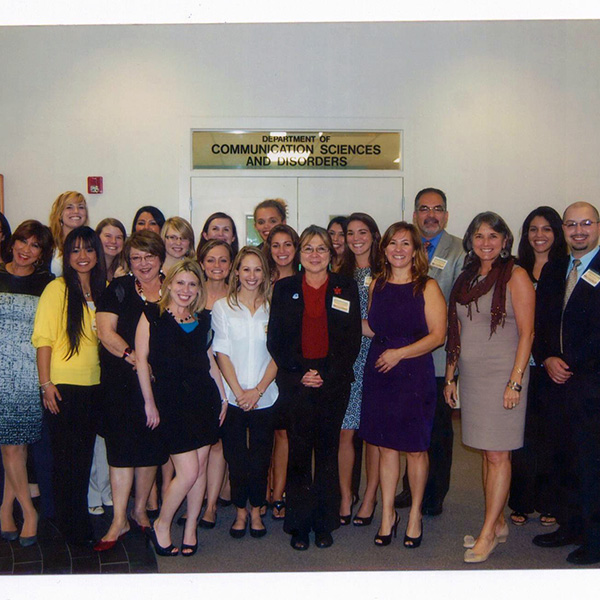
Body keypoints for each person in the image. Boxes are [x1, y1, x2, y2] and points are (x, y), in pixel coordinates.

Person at [444, 212, 535, 563]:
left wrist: (516, 380)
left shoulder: (516, 275)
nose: (486, 242)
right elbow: (457, 331)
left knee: (499, 454)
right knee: (487, 452)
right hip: (473, 377)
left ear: (505, 241)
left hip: (503, 378)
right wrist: (451, 376)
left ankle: (487, 534)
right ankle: (496, 523)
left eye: (493, 236)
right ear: (471, 240)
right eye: (479, 236)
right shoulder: (468, 277)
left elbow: (527, 332)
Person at [267, 225, 361, 550]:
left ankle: (324, 523)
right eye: (308, 248)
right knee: (298, 452)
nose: (315, 255)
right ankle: (298, 525)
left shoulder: (344, 288)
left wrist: (326, 373)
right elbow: (275, 340)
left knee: (327, 453)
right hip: (296, 380)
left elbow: (352, 340)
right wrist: (301, 372)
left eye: (321, 248)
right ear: (299, 254)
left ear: (331, 254)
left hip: (333, 381)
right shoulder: (284, 289)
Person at [359, 222, 446, 549]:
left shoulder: (427, 286)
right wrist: (337, 322)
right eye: (392, 243)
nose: (398, 249)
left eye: (405, 243)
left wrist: (400, 354)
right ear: (384, 249)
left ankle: (414, 516)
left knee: (415, 448)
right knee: (385, 447)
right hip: (380, 372)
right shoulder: (376, 285)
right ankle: (388, 514)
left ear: (415, 250)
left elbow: (438, 336)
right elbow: (373, 327)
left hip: (413, 373)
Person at [137, 259, 226, 557]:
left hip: (204, 400)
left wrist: (223, 398)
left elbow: (209, 361)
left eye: (192, 284)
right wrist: (149, 403)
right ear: (169, 284)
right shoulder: (152, 316)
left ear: (198, 288)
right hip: (171, 403)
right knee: (187, 472)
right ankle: (162, 524)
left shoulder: (202, 320)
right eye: (180, 283)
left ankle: (190, 530)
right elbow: (141, 362)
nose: (185, 290)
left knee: (199, 470)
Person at [531, 202, 600, 565]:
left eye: (586, 223)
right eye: (571, 224)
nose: (578, 231)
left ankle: (595, 538)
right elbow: (539, 323)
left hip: (591, 383)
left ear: (598, 226)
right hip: (553, 381)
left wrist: (569, 361)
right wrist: (547, 357)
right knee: (560, 456)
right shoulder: (556, 268)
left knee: (591, 463)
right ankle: (569, 525)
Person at [93, 231, 169, 551]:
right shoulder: (119, 289)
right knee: (121, 449)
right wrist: (133, 358)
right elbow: (105, 331)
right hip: (121, 383)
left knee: (150, 447)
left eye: (148, 256)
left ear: (160, 257)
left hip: (162, 383)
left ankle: (140, 510)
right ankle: (118, 519)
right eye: (135, 258)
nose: (142, 264)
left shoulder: (175, 286)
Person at [32, 226, 106, 546]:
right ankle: (71, 526)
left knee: (83, 458)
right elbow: (43, 340)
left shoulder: (102, 290)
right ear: (67, 255)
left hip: (94, 386)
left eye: (88, 249)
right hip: (62, 387)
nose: (82, 256)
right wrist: (46, 383)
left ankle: (75, 522)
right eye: (75, 250)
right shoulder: (57, 289)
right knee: (65, 461)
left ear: (96, 254)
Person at [395, 188, 465, 516]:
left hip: (437, 359)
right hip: (404, 359)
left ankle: (434, 494)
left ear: (446, 215)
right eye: (424, 209)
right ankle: (412, 489)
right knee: (410, 426)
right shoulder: (404, 249)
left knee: (436, 429)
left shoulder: (460, 252)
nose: (431, 215)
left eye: (437, 209)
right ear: (414, 214)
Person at [212, 247, 278, 539]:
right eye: (246, 269)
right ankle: (240, 511)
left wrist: (258, 390)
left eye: (258, 270)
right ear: (236, 272)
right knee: (236, 458)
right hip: (233, 396)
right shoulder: (223, 307)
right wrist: (239, 392)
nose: (252, 276)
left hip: (267, 395)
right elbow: (221, 352)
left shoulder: (274, 307)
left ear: (265, 273)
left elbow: (280, 352)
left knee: (261, 458)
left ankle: (256, 511)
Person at [508, 207, 567, 527]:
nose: (539, 235)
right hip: (520, 363)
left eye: (546, 229)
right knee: (520, 435)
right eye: (533, 229)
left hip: (551, 364)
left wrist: (547, 354)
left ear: (556, 233)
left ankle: (549, 502)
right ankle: (521, 500)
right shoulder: (516, 269)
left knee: (551, 435)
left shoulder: (565, 269)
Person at [0, 221, 54, 546]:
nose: (26, 249)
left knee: (13, 445)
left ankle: (24, 511)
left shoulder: (47, 284)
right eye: (23, 240)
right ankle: (10, 507)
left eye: (35, 246)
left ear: (42, 254)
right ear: (13, 241)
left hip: (27, 373)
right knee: (10, 446)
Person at [336, 212, 381, 527]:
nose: (355, 238)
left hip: (378, 358)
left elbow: (388, 324)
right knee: (345, 433)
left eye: (362, 232)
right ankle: (345, 494)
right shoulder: (339, 273)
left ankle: (370, 497)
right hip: (346, 360)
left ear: (374, 235)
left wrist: (355, 327)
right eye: (350, 233)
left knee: (375, 435)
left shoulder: (387, 272)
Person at [191, 239, 235, 529]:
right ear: (201, 262)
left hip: (227, 378)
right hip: (195, 378)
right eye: (210, 260)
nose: (216, 266)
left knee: (218, 443)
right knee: (197, 445)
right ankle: (192, 499)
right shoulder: (191, 292)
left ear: (231, 264)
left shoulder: (237, 295)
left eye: (223, 260)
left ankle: (210, 505)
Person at [263, 224, 300, 519]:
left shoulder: (304, 281)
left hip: (289, 368)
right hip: (259, 364)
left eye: (288, 244)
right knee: (265, 432)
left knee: (285, 433)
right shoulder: (259, 279)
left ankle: (279, 493)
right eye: (276, 245)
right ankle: (264, 487)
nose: (282, 251)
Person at [48, 191, 89, 276]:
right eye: (69, 207)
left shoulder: (91, 241)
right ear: (59, 213)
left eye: (81, 207)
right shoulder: (47, 239)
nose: (76, 211)